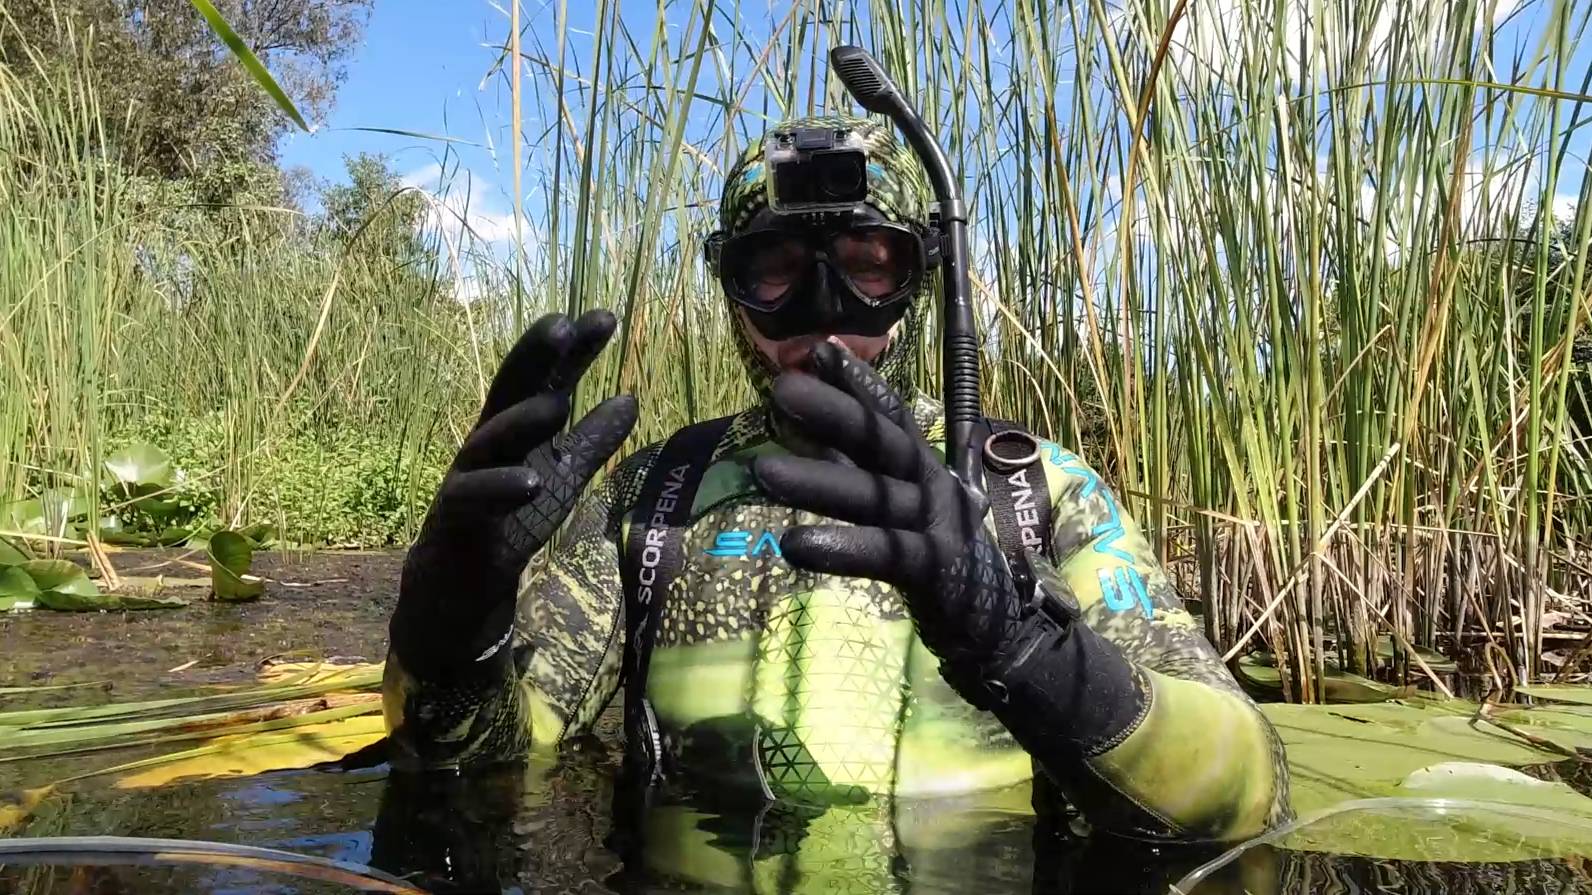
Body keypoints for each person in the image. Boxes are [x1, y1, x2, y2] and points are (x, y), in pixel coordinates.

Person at [377, 114, 1291, 883]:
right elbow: (482, 763)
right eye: (776, 267)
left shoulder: (1033, 491)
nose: (823, 312)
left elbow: (1245, 794)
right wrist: (452, 633)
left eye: (868, 262)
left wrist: (1021, 645)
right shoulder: (655, 497)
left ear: (919, 279)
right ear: (731, 290)